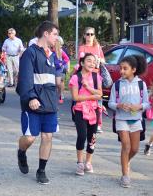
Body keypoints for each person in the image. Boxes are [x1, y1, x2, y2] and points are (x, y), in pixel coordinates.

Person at [16, 21, 59, 185]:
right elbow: (25, 79)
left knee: (47, 136)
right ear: (46, 34)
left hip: (50, 104)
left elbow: (51, 80)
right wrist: (31, 97)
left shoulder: (52, 55)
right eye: (55, 34)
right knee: (29, 138)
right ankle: (21, 152)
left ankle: (41, 170)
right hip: (33, 103)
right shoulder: (30, 53)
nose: (57, 38)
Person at [108, 55, 149, 187]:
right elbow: (111, 103)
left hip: (136, 119)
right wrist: (119, 105)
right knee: (126, 146)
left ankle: (125, 162)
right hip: (121, 119)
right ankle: (125, 175)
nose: (122, 71)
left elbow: (147, 103)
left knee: (135, 149)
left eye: (125, 68)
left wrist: (139, 106)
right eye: (120, 68)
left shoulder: (141, 84)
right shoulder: (117, 84)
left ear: (134, 70)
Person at [69, 53, 102, 175]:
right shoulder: (75, 78)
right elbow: (75, 97)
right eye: (89, 61)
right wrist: (94, 96)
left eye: (94, 62)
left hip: (94, 110)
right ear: (82, 63)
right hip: (79, 110)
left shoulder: (96, 77)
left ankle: (88, 161)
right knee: (82, 136)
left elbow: (100, 94)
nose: (92, 64)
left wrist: (88, 88)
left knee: (92, 137)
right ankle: (80, 162)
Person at [78, 27, 105, 133]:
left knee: (98, 99)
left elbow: (103, 60)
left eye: (91, 34)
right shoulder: (82, 47)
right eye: (87, 34)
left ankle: (98, 123)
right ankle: (84, 119)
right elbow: (80, 61)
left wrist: (98, 59)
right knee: (85, 98)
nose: (89, 36)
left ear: (94, 36)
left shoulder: (97, 47)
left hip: (96, 75)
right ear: (84, 35)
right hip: (85, 76)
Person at [53, 36, 70, 104]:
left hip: (59, 69)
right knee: (53, 83)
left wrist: (61, 63)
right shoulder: (50, 50)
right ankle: (54, 96)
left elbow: (67, 59)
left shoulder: (60, 51)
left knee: (58, 83)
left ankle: (60, 94)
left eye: (57, 42)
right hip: (52, 68)